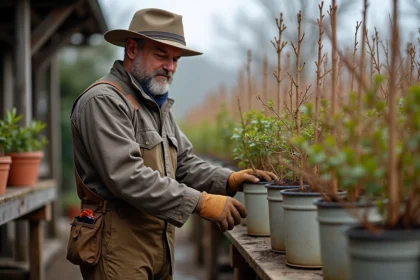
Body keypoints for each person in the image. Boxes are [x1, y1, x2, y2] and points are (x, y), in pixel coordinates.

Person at [70, 8, 277, 280]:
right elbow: (127, 176)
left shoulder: (154, 104)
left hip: (159, 240)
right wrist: (200, 202)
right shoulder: (104, 101)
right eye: (161, 55)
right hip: (116, 243)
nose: (170, 67)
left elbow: (185, 162)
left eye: (176, 59)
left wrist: (228, 179)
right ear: (131, 49)